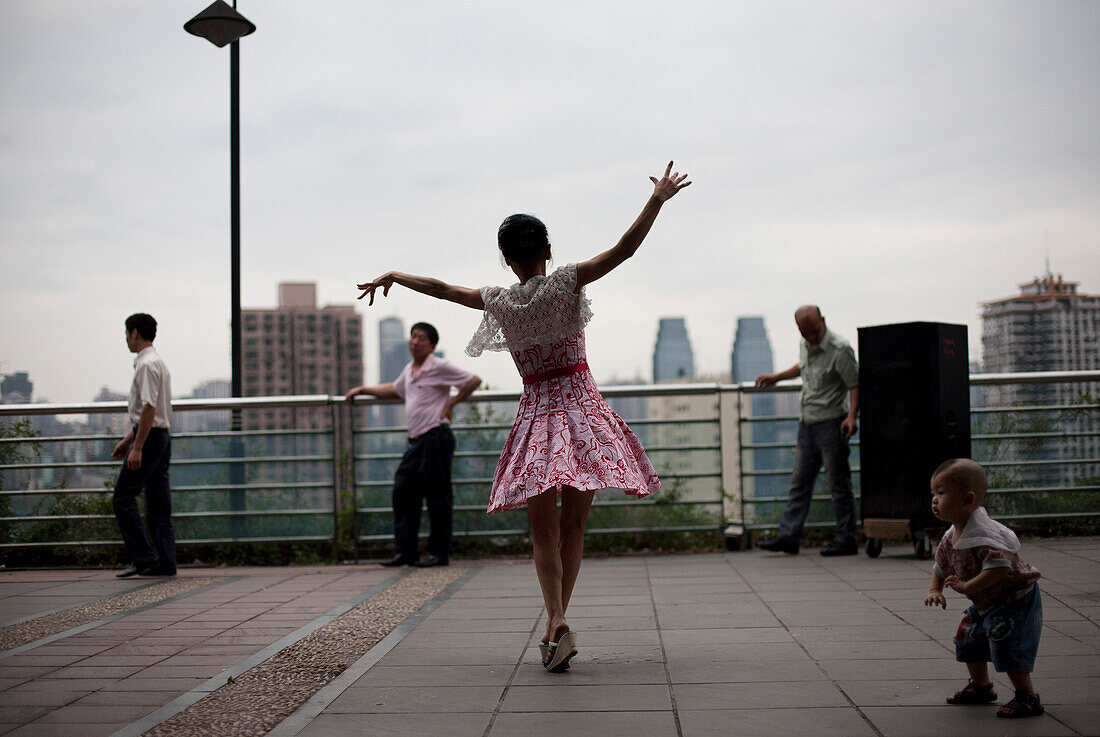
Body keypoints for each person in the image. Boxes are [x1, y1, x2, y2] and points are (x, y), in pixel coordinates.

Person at [355, 161, 690, 672]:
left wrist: (397, 275)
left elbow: (444, 289)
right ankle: (557, 623)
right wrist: (657, 199)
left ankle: (554, 619)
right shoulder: (567, 283)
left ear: (508, 261)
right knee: (574, 527)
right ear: (548, 251)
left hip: (537, 416)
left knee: (541, 531)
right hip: (581, 410)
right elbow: (623, 250)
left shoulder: (501, 302)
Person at [346, 322, 481, 568]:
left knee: (437, 497)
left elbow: (473, 380)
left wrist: (451, 403)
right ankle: (406, 552)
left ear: (431, 345)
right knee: (403, 491)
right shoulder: (410, 370)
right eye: (413, 337)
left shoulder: (438, 366)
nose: (414, 341)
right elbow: (394, 389)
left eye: (421, 338)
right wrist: (364, 389)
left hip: (436, 437)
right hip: (417, 440)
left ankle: (439, 553)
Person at [924, 459, 1044, 719]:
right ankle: (982, 687)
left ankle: (1027, 696)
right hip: (985, 602)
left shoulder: (985, 536)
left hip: (1013, 601)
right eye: (933, 493)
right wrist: (936, 590)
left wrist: (966, 586)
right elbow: (940, 566)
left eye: (941, 493)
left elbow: (998, 569)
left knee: (1007, 643)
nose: (934, 499)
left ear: (968, 499)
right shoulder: (951, 535)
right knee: (968, 638)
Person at [755, 305, 859, 556]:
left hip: (831, 423)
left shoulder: (840, 349)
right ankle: (789, 537)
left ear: (823, 321)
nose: (810, 337)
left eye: (814, 331)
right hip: (807, 423)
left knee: (838, 484)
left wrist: (852, 416)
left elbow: (855, 384)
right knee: (799, 483)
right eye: (805, 333)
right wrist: (777, 377)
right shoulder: (805, 344)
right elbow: (803, 367)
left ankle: (846, 539)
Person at [111, 313, 176, 577]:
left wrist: (137, 447)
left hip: (150, 439)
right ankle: (165, 561)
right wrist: (129, 440)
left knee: (123, 497)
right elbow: (153, 411)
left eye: (127, 333)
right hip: (160, 436)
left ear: (134, 333)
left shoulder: (146, 365)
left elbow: (149, 407)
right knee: (158, 502)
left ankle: (144, 558)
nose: (126, 339)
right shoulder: (157, 362)